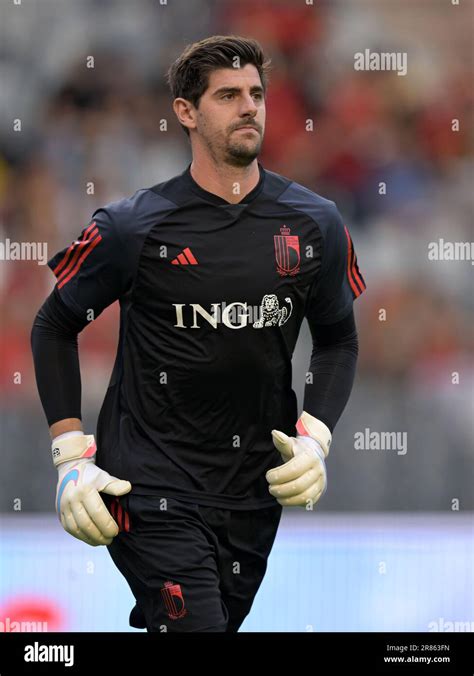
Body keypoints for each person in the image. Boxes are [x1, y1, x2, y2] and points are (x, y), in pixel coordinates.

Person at [31, 35, 366, 632]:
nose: (250, 108)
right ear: (186, 112)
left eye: (257, 94)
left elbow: (339, 337)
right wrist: (69, 455)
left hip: (254, 491)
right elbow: (54, 324)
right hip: (150, 483)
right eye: (229, 95)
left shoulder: (315, 222)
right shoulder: (132, 226)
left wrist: (316, 439)